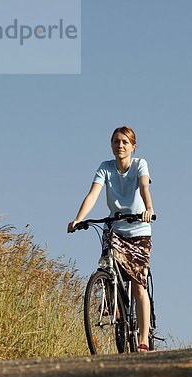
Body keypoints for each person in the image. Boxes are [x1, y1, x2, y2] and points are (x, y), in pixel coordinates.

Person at [67, 125, 155, 352]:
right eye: (116, 142)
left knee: (138, 284)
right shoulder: (105, 168)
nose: (120, 145)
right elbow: (93, 194)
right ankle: (111, 304)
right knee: (107, 263)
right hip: (115, 228)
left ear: (133, 146)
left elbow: (144, 186)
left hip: (138, 231)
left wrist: (149, 208)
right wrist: (78, 219)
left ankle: (143, 340)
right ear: (111, 145)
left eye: (125, 142)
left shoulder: (139, 165)